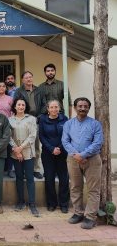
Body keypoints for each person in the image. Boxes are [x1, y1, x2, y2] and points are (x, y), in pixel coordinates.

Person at [62, 97, 104, 229]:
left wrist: (83, 154)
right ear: (75, 108)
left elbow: (98, 142)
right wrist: (76, 155)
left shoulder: (95, 124)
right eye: (80, 106)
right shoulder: (68, 124)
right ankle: (78, 213)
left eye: (85, 106)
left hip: (92, 160)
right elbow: (65, 141)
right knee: (75, 187)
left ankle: (90, 216)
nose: (82, 108)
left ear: (88, 108)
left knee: (93, 189)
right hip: (73, 159)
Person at [9, 97, 39, 217]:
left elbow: (32, 136)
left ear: (25, 107)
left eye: (23, 105)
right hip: (15, 153)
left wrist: (20, 148)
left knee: (30, 178)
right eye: (18, 105)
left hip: (27, 153)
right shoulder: (9, 120)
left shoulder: (31, 119)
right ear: (15, 107)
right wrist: (16, 150)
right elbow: (8, 136)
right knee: (19, 177)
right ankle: (20, 202)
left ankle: (32, 204)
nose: (21, 107)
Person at [14, 71, 46, 179]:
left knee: (35, 145)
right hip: (23, 120)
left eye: (30, 77)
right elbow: (15, 104)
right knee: (22, 145)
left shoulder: (39, 90)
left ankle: (36, 169)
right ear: (23, 80)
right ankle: (23, 170)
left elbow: (44, 105)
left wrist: (39, 117)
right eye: (26, 77)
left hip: (36, 120)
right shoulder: (19, 91)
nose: (29, 79)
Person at [39, 100, 69, 213]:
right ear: (48, 109)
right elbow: (41, 136)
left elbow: (67, 135)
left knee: (64, 179)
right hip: (47, 153)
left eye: (56, 107)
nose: (54, 109)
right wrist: (52, 149)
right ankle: (51, 203)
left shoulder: (64, 118)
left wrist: (59, 148)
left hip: (63, 153)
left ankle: (64, 204)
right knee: (49, 179)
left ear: (59, 108)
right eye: (51, 107)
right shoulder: (42, 119)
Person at [0, 81, 14, 178]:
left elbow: (13, 112)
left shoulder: (10, 98)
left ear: (5, 88)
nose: (1, 88)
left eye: (3, 86)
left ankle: (9, 169)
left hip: (7, 125)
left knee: (9, 147)